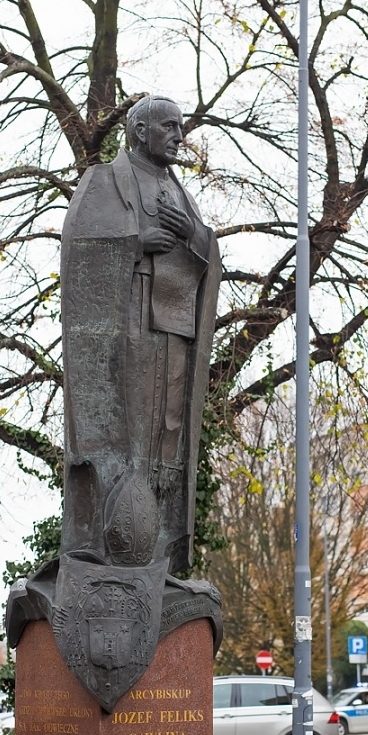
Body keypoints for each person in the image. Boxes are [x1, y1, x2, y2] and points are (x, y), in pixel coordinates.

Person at [59, 94, 221, 576]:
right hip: (123, 329)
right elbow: (76, 252)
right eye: (169, 127)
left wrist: (192, 231)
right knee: (124, 436)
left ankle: (159, 552)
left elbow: (209, 255)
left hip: (172, 329)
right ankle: (112, 544)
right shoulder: (103, 181)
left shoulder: (179, 192)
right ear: (139, 132)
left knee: (166, 436)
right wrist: (133, 245)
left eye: (181, 127)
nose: (179, 136)